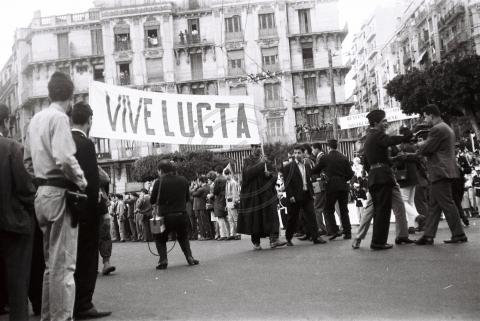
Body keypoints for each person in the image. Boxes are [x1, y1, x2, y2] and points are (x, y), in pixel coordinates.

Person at [24, 71, 88, 320]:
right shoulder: (60, 118)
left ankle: (49, 316)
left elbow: (27, 162)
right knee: (65, 266)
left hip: (42, 192)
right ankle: (61, 318)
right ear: (70, 96)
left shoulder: (35, 119)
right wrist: (81, 182)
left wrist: (40, 181)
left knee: (51, 266)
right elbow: (64, 157)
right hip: (60, 192)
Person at [69, 101, 111, 319]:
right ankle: (84, 304)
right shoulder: (86, 144)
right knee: (87, 258)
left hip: (69, 208)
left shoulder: (65, 140)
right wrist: (101, 209)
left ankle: (72, 303)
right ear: (89, 120)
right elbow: (92, 183)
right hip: (86, 211)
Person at [0, 104, 36, 321]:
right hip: (15, 224)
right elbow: (25, 188)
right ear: (6, 122)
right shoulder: (13, 148)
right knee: (17, 284)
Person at [415, 104, 467, 245]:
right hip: (444, 170)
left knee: (447, 204)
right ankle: (428, 235)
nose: (425, 119)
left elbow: (427, 148)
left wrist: (420, 144)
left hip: (440, 171)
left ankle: (459, 234)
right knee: (434, 205)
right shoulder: (446, 128)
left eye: (425, 116)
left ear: (431, 115)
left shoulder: (437, 129)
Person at [363, 109, 412, 250]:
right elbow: (389, 141)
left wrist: (392, 160)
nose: (386, 123)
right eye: (384, 121)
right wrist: (404, 137)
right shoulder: (377, 135)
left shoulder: (370, 136)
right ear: (376, 122)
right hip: (382, 177)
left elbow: (372, 161)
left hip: (377, 176)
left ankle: (395, 237)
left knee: (384, 209)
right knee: (382, 211)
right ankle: (378, 242)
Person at [237, 146, 287, 250]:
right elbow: (247, 174)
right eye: (254, 146)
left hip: (267, 194)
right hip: (254, 195)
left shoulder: (266, 159)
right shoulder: (248, 160)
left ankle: (274, 240)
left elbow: (275, 175)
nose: (257, 148)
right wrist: (261, 163)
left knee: (272, 214)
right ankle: (256, 242)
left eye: (258, 146)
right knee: (256, 218)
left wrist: (269, 175)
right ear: (251, 148)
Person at [153, 160, 199, 269]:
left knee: (160, 238)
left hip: (164, 217)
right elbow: (187, 198)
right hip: (181, 215)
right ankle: (189, 257)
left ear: (161, 170)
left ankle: (163, 260)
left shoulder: (159, 182)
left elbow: (152, 200)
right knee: (183, 237)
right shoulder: (183, 180)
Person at [282, 145, 326, 246]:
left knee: (311, 216)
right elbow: (287, 183)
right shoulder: (289, 167)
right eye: (295, 153)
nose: (297, 155)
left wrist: (312, 193)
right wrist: (291, 196)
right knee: (292, 218)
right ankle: (288, 238)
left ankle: (316, 237)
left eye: (299, 153)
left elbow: (309, 180)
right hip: (295, 197)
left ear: (303, 153)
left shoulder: (306, 165)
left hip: (307, 195)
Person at [312, 139, 354, 240]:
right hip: (343, 186)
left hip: (331, 186)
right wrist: (343, 179)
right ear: (337, 146)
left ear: (328, 147)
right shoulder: (343, 157)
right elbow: (351, 173)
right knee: (344, 210)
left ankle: (334, 231)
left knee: (328, 209)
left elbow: (315, 170)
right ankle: (347, 232)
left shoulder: (325, 158)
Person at [98, 166, 116, 276]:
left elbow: (106, 178)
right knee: (104, 236)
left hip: (98, 206)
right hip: (100, 205)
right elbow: (106, 179)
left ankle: (105, 263)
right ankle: (106, 263)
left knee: (104, 235)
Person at [311, 143, 328, 235]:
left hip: (319, 183)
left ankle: (321, 228)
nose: (312, 151)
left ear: (317, 149)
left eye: (313, 149)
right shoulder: (320, 156)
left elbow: (317, 170)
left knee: (317, 207)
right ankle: (326, 227)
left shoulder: (321, 156)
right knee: (322, 207)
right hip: (320, 183)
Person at [192, 176, 212, 240]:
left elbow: (193, 194)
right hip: (205, 206)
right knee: (207, 221)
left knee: (203, 222)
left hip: (201, 207)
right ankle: (209, 235)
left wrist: (195, 188)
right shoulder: (208, 187)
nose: (197, 183)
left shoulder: (201, 189)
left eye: (198, 181)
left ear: (200, 181)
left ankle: (206, 235)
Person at [213, 166, 230, 241]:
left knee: (220, 218)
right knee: (226, 217)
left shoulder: (217, 179)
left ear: (217, 172)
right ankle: (229, 234)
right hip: (225, 198)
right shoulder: (225, 178)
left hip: (219, 199)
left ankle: (223, 235)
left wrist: (212, 195)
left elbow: (215, 191)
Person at [225, 169, 241, 240]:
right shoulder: (227, 183)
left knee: (235, 219)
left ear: (230, 174)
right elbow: (226, 194)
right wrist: (226, 204)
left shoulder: (233, 182)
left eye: (227, 174)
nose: (226, 176)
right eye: (225, 174)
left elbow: (235, 193)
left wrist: (235, 202)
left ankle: (238, 234)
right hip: (228, 202)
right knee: (230, 219)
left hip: (232, 201)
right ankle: (232, 234)